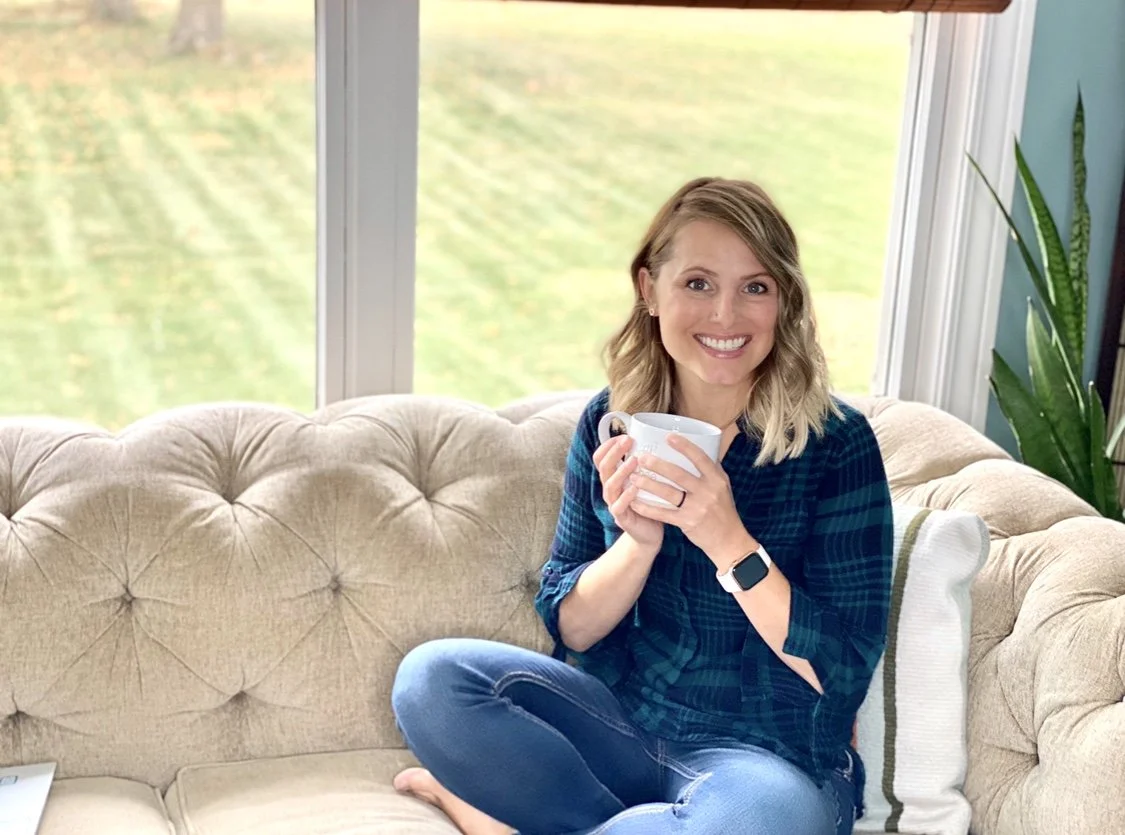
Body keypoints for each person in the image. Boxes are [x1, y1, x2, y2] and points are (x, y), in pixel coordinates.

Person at [390, 176, 894, 835]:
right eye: (698, 283)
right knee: (432, 679)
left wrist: (730, 543)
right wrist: (638, 542)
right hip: (622, 726)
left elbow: (843, 670)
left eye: (755, 287)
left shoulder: (834, 443)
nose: (726, 316)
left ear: (783, 303)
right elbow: (572, 629)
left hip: (767, 762)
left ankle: (497, 816)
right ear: (649, 290)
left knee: (762, 818)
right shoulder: (611, 420)